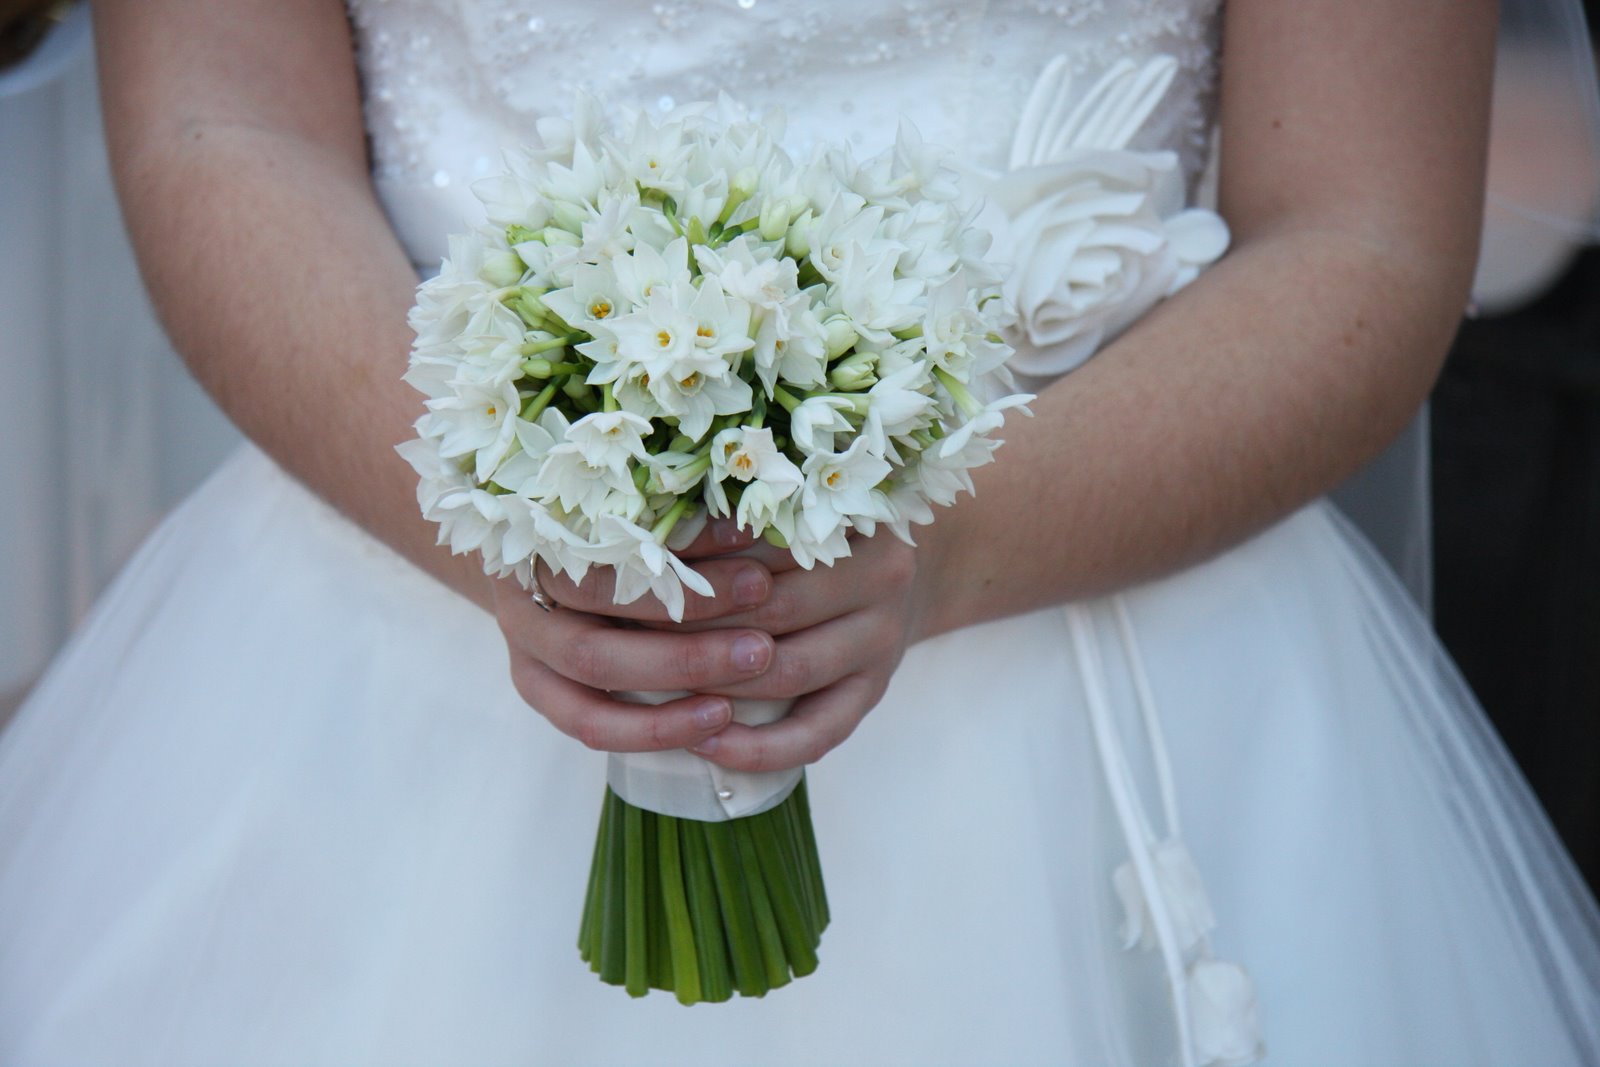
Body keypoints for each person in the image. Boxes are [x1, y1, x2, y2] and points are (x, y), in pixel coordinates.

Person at [1, 0, 1597, 1063]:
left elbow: (1365, 223)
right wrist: (498, 501)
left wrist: (953, 542)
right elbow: (223, 117)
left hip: (1119, 627)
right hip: (396, 642)